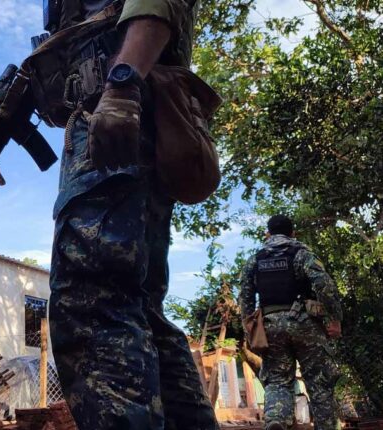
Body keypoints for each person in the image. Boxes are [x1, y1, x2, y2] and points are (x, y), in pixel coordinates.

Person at [46, 0, 219, 428]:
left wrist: (122, 83)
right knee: (137, 306)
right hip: (115, 116)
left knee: (92, 300)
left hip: (118, 114)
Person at [239, 215, 343, 430]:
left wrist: (249, 327)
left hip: (270, 326)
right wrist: (334, 319)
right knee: (318, 381)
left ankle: (277, 419)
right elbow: (324, 285)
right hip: (305, 323)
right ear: (292, 233)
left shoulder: (255, 260)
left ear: (268, 234)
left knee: (277, 380)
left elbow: (245, 295)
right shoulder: (302, 254)